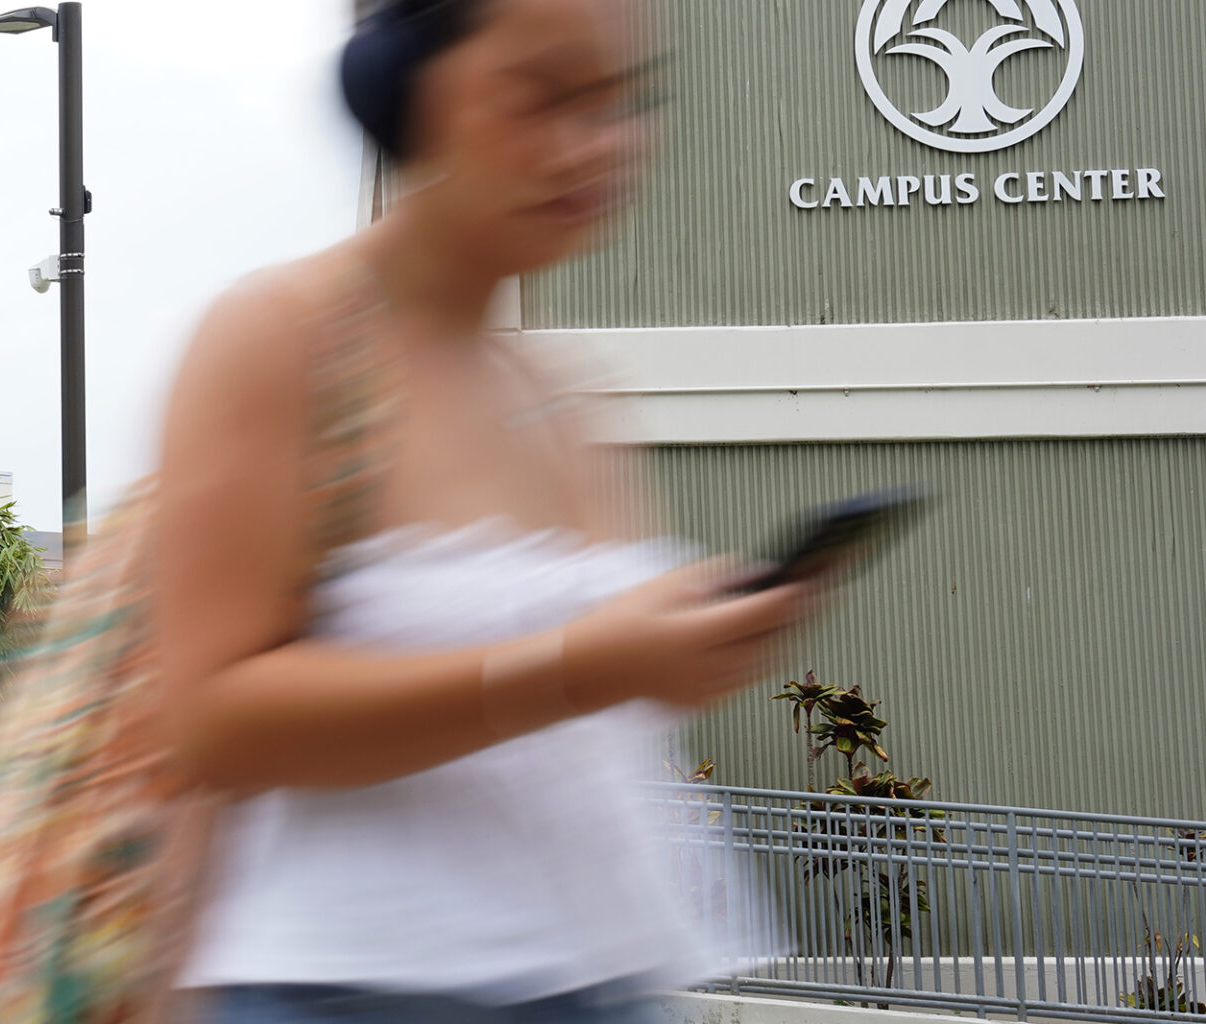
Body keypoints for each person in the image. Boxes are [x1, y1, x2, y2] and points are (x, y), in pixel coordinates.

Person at [152, 1, 817, 1020]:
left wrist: (691, 642)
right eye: (544, 93)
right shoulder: (281, 339)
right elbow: (211, 722)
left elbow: (592, 707)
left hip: (604, 979)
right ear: (407, 85)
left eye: (626, 99)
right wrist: (583, 665)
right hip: (350, 988)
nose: (598, 143)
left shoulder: (562, 393)